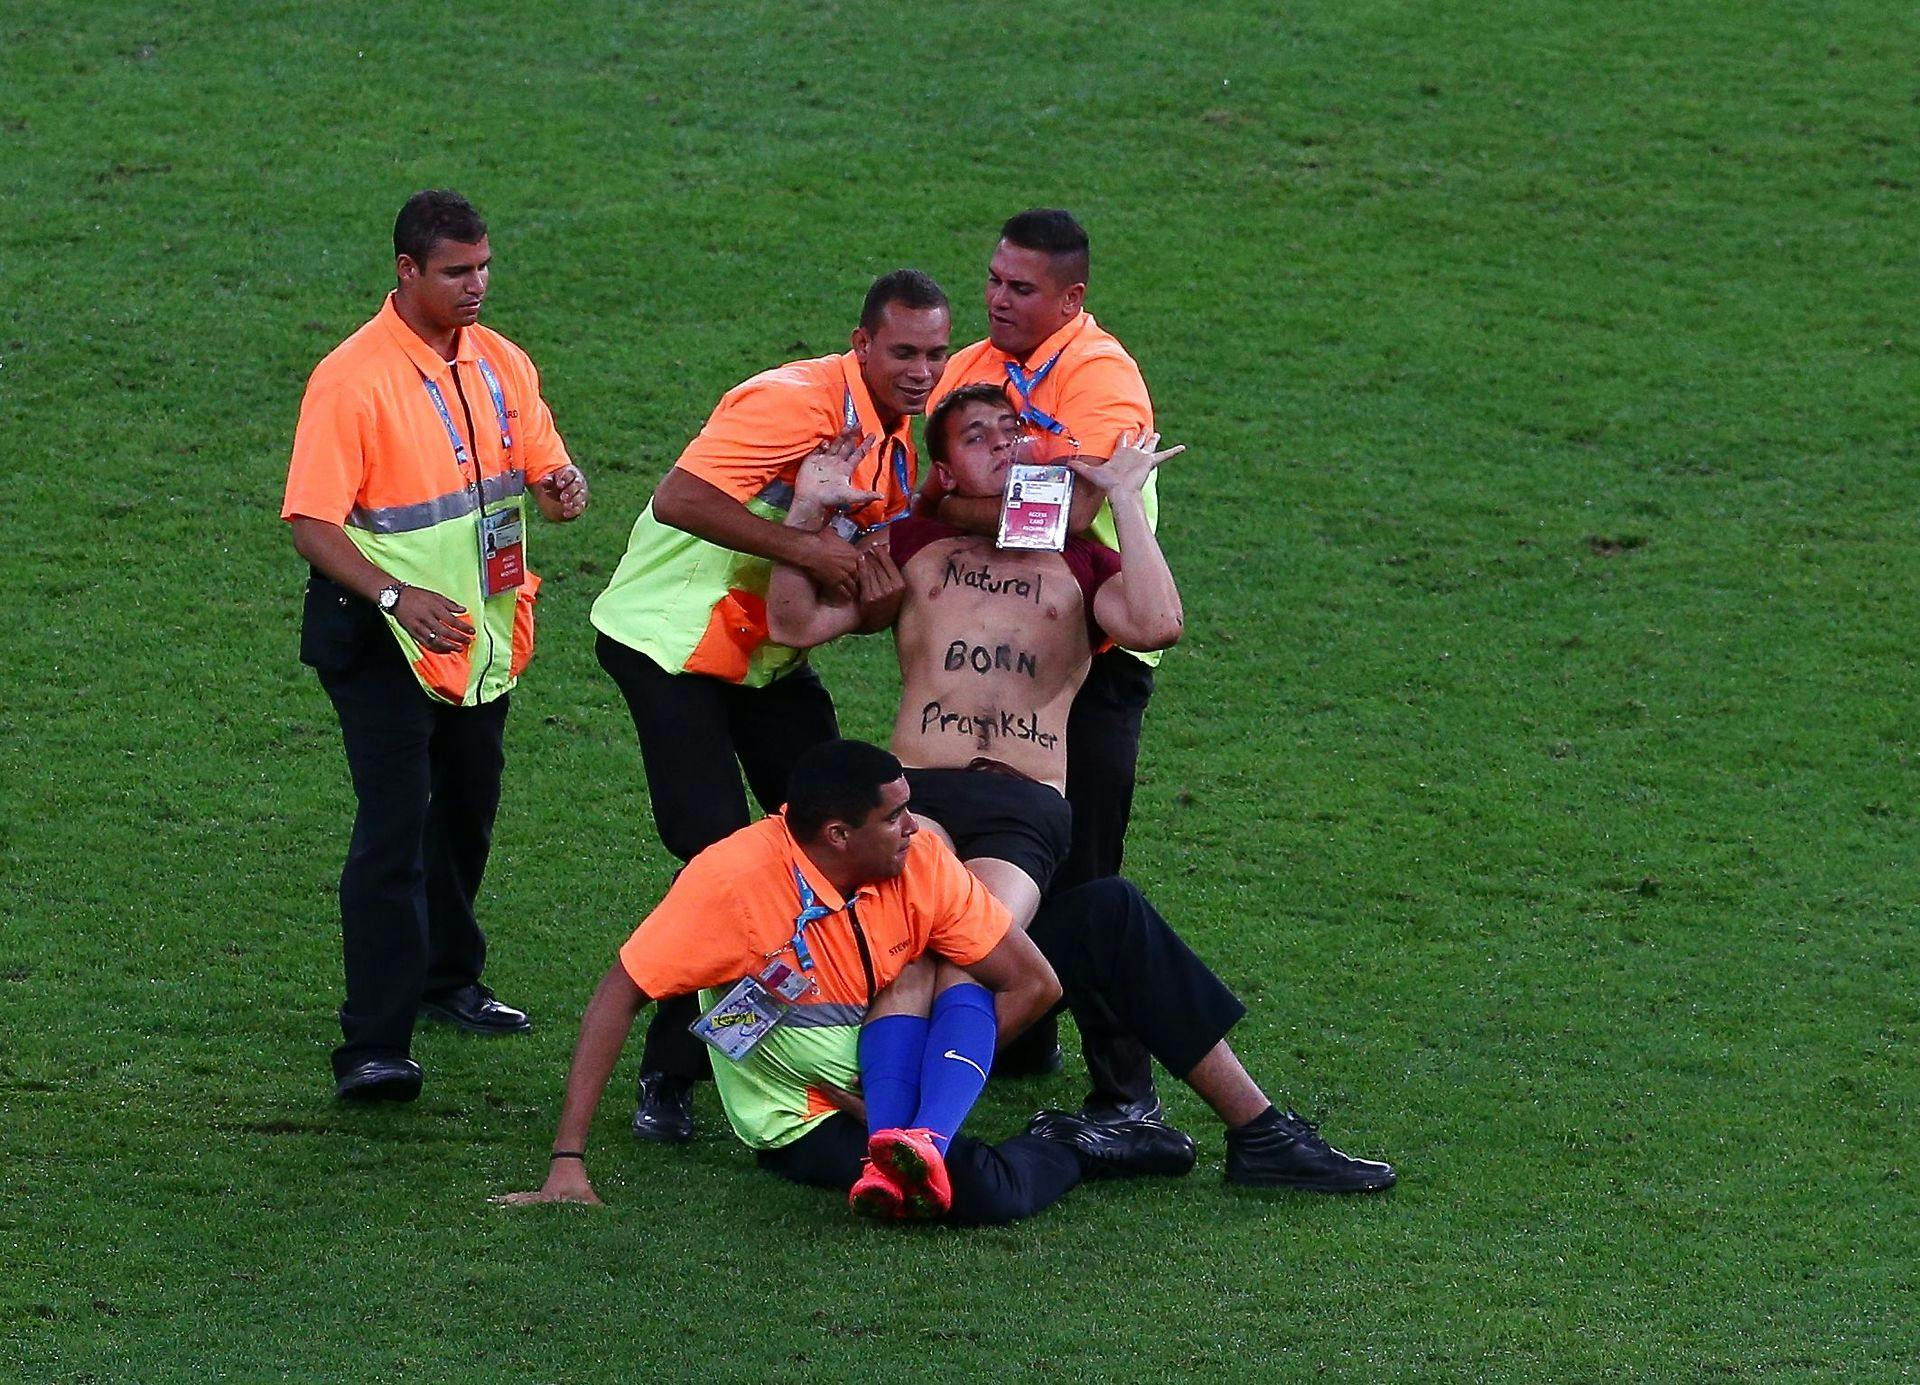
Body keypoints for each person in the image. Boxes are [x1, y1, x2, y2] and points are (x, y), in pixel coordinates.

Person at [766, 389, 1397, 1192]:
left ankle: (906, 1127)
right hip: (917, 794)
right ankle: (909, 1130)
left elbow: (1158, 623)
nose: (1001, 444)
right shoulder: (916, 543)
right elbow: (793, 624)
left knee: (971, 944)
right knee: (980, 932)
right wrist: (804, 518)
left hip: (1023, 806)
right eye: (977, 435)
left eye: (1012, 430)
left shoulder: (1078, 560)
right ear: (945, 466)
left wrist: (1125, 500)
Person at [497, 740, 1195, 1225]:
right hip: (803, 1116)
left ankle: (1075, 1144)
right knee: (970, 1191)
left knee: (966, 1162)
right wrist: (567, 1162)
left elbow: (1032, 984)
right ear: (836, 834)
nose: (915, 826)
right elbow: (620, 990)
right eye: (894, 815)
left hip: (892, 1089)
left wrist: (918, 1088)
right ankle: (1063, 1142)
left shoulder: (917, 860)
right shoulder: (729, 885)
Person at [589, 270, 951, 1142]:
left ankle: (737, 1051)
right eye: (903, 351)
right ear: (861, 344)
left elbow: (838, 591)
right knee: (722, 864)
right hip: (671, 648)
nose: (921, 371)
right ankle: (672, 1077)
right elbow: (679, 498)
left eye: (936, 353)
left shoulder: (896, 446)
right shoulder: (792, 404)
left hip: (767, 663)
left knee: (838, 843)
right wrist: (806, 547)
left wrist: (875, 593)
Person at [283, 189, 588, 1101]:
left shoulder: (501, 362)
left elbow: (540, 463)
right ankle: (373, 1044)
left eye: (484, 266)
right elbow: (310, 521)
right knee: (393, 829)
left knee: (464, 808)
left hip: (477, 635)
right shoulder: (353, 377)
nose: (477, 285)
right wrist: (392, 593)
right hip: (378, 636)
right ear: (406, 271)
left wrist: (562, 487)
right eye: (457, 271)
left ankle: (448, 980)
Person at [929, 208, 1162, 1115]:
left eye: (1020, 288)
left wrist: (950, 510)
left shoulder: (1103, 379)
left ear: (1072, 297)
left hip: (1094, 656)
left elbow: (1058, 514)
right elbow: (928, 482)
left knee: (1089, 870)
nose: (995, 299)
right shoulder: (975, 368)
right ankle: (1021, 1042)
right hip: (992, 653)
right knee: (990, 844)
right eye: (992, 279)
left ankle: (1126, 1095)